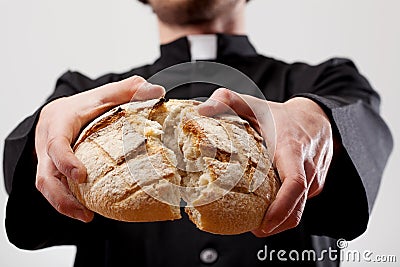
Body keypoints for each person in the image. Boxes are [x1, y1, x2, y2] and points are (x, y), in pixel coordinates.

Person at [3, 0, 392, 266]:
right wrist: (47, 129)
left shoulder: (323, 80)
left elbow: (361, 129)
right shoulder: (83, 98)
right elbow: (31, 196)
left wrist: (320, 119)